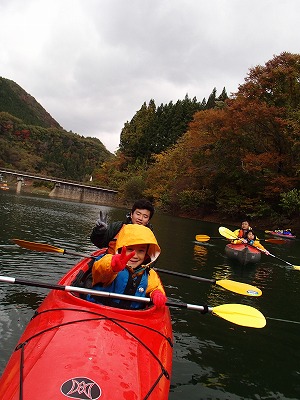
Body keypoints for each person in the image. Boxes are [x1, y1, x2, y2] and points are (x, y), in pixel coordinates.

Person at [87, 224, 167, 310]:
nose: (135, 256)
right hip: (99, 311)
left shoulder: (150, 274)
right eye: (130, 249)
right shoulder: (109, 261)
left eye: (141, 251)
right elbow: (99, 270)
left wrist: (156, 293)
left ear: (146, 254)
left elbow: (154, 287)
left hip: (131, 316)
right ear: (121, 249)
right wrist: (113, 265)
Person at [90, 198, 155, 253]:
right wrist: (99, 231)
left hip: (133, 267)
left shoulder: (150, 236)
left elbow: (151, 257)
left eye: (145, 216)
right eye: (138, 214)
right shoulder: (117, 227)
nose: (140, 218)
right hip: (110, 264)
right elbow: (99, 243)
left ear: (148, 220)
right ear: (132, 214)